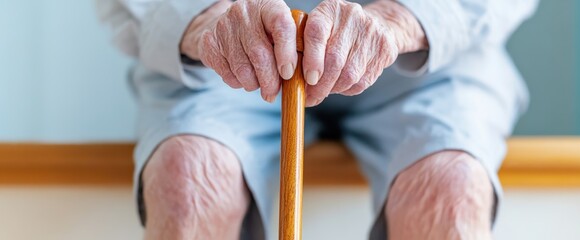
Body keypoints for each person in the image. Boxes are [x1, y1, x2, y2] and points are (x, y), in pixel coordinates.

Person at [97, 0, 538, 239]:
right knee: (189, 179)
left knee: (450, 186)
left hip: (426, 43)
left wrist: (402, 18)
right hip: (229, 38)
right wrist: (203, 19)